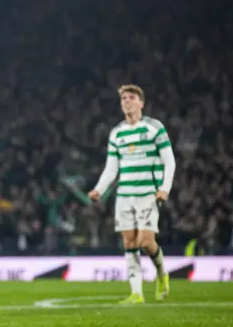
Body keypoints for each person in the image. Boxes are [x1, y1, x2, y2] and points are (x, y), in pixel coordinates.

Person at [89, 85, 176, 304]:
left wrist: (164, 188)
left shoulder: (154, 128)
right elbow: (111, 168)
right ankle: (136, 293)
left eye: (131, 98)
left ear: (141, 103)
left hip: (148, 193)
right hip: (125, 194)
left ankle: (162, 273)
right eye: (124, 98)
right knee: (129, 242)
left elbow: (169, 161)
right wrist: (99, 189)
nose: (127, 101)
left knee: (146, 241)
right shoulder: (117, 133)